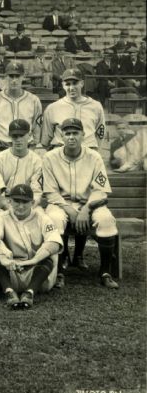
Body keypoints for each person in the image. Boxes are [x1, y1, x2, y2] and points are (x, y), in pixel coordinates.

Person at [42, 118, 120, 290]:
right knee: (54, 219)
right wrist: (69, 210)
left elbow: (100, 190)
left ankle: (105, 272)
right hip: (61, 203)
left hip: (90, 203)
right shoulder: (49, 157)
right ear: (61, 136)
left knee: (106, 219)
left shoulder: (94, 157)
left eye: (75, 133)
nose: (71, 137)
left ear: (83, 135)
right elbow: (50, 191)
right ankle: (60, 271)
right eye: (67, 133)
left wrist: (86, 209)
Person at [0, 184, 63, 309]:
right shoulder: (1, 217)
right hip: (10, 269)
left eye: (25, 202)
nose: (20, 206)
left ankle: (29, 293)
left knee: (50, 255)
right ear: (9, 201)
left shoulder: (42, 218)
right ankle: (9, 292)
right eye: (16, 201)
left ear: (32, 202)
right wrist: (3, 259)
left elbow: (55, 242)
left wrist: (33, 260)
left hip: (36, 271)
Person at [0, 62, 43, 158]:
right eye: (11, 76)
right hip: (0, 150)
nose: (14, 80)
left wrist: (33, 149)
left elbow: (37, 130)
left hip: (25, 150)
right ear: (5, 77)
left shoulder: (34, 100)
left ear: (23, 77)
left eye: (17, 76)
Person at [42, 68, 106, 151]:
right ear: (63, 85)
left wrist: (92, 152)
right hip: (61, 151)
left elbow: (100, 134)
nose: (71, 87)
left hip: (88, 150)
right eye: (68, 84)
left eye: (75, 83)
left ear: (82, 83)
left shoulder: (96, 106)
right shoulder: (52, 108)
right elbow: (46, 139)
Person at [0, 119, 43, 208]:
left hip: (27, 203)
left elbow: (36, 192)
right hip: (4, 203)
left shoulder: (37, 161)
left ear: (29, 136)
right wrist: (8, 207)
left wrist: (28, 208)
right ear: (10, 136)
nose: (18, 139)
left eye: (22, 135)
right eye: (15, 136)